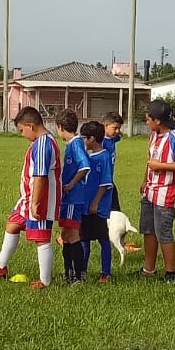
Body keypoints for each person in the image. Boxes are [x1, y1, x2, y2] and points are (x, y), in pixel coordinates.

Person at [0, 107, 60, 288]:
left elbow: (40, 176)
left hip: (40, 200)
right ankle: (0, 267)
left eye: (22, 130)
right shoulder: (43, 141)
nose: (22, 134)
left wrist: (36, 203)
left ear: (30, 126)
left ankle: (45, 281)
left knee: (41, 238)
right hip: (27, 199)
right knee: (13, 224)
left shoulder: (43, 144)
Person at [140, 98, 175, 282]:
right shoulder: (154, 135)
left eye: (148, 119)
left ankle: (172, 274)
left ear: (158, 120)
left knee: (164, 232)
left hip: (166, 193)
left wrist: (160, 166)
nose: (146, 122)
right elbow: (150, 160)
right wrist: (144, 180)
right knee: (148, 230)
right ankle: (148, 269)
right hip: (150, 190)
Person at [56, 109, 91, 283]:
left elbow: (85, 166)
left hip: (73, 198)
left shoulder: (76, 144)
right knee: (65, 236)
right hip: (68, 199)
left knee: (72, 235)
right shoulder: (71, 144)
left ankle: (78, 276)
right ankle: (68, 272)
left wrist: (71, 183)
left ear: (61, 127)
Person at [79, 119, 116, 282]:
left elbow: (105, 183)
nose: (83, 141)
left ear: (92, 138)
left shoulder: (104, 157)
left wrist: (96, 202)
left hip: (98, 207)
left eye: (84, 138)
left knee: (103, 239)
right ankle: (82, 270)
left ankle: (106, 272)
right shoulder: (87, 155)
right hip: (84, 205)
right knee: (83, 239)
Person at [100, 111, 126, 213]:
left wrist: (118, 133)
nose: (117, 131)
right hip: (101, 183)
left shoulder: (113, 138)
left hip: (110, 181)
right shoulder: (99, 142)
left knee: (115, 212)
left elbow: (119, 136)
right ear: (105, 126)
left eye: (119, 128)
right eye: (114, 128)